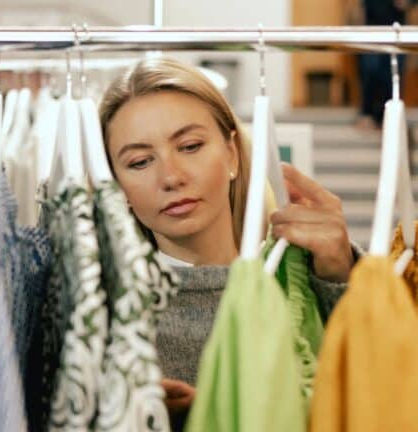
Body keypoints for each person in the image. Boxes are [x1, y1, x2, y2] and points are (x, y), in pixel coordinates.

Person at [98, 58, 360, 428]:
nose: (171, 177)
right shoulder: (107, 318)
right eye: (140, 162)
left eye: (190, 146)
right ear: (116, 186)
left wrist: (341, 278)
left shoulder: (305, 281)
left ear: (232, 154)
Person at [355, 0, 413, 129]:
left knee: (392, 76)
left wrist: (408, 3)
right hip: (372, 29)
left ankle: (388, 117)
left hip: (396, 30)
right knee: (370, 71)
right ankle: (367, 112)